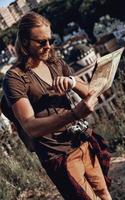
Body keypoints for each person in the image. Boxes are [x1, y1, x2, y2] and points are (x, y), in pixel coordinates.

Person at [2, 12, 112, 200]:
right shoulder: (15, 78)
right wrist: (74, 114)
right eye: (41, 42)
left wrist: (71, 81)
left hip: (82, 141)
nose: (48, 46)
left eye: (50, 40)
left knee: (104, 194)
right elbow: (30, 126)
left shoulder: (54, 61)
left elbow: (89, 92)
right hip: (59, 155)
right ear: (25, 42)